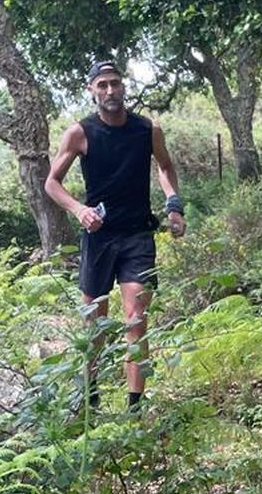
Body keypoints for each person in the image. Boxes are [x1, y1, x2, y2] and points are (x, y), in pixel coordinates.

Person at [45, 60, 187, 411]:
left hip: (138, 234)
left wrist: (174, 205)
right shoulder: (80, 133)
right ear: (92, 90)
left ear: (124, 87)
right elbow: (51, 183)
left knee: (136, 319)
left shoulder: (147, 129)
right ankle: (91, 402)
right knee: (95, 326)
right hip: (99, 237)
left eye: (115, 83)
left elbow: (165, 166)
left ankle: (135, 411)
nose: (111, 91)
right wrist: (79, 210)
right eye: (103, 85)